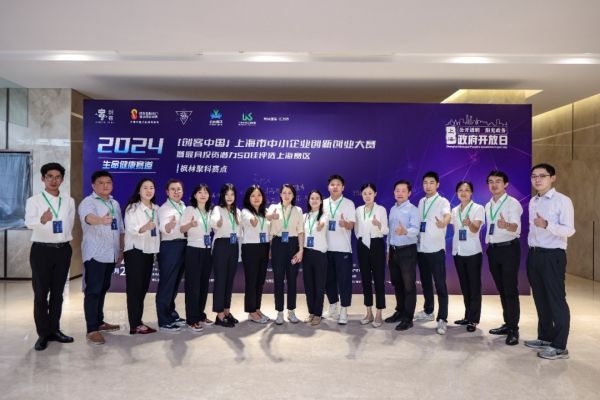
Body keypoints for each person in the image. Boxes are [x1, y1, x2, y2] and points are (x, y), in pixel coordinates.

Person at [524, 163, 575, 360]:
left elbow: (569, 230)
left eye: (542, 176)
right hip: (534, 255)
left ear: (552, 178)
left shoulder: (562, 201)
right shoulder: (533, 201)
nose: (537, 179)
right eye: (534, 176)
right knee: (540, 298)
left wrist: (547, 224)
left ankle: (560, 346)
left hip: (553, 255)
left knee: (556, 299)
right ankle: (545, 337)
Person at [25, 162, 76, 351]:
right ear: (43, 178)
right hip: (42, 251)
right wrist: (42, 219)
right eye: (50, 177)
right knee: (40, 294)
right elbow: (28, 223)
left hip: (63, 250)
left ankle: (55, 329)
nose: (54, 180)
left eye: (57, 177)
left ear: (62, 179)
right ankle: (43, 334)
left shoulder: (68, 200)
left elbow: (69, 224)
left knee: (58, 293)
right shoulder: (34, 201)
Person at [78, 170, 123, 345]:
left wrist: (120, 250)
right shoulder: (88, 202)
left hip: (111, 253)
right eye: (101, 183)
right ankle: (91, 329)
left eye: (108, 182)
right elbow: (88, 218)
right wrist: (100, 220)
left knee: (103, 288)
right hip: (95, 254)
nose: (105, 185)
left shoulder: (114, 203)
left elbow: (120, 229)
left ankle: (99, 321)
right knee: (93, 291)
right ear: (93, 185)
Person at [485, 170, 523, 345]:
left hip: (508, 249)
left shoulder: (512, 203)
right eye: (491, 181)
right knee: (502, 289)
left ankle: (514, 329)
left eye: (498, 181)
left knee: (510, 290)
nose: (494, 185)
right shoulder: (488, 205)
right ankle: (507, 324)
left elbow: (515, 228)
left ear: (506, 184)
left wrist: (505, 224)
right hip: (493, 250)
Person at [415, 171, 451, 335]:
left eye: (431, 182)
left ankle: (442, 318)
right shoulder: (421, 202)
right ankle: (428, 311)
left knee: (440, 285)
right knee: (426, 283)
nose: (428, 186)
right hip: (422, 249)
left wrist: (444, 222)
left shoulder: (443, 201)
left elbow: (447, 215)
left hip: (436, 250)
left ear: (437, 184)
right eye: (425, 182)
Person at [123, 178, 160, 334]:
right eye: (145, 187)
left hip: (149, 252)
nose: (149, 190)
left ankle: (138, 320)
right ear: (139, 190)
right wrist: (145, 227)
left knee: (143, 287)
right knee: (134, 288)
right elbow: (131, 229)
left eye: (151, 187)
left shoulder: (156, 208)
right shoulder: (132, 208)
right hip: (135, 251)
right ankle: (134, 324)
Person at [385, 180, 420, 331]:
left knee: (408, 286)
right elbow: (390, 232)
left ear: (409, 193)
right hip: (394, 251)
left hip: (407, 251)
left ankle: (408, 318)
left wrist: (405, 231)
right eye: (397, 190)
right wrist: (388, 251)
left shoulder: (413, 210)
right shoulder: (392, 209)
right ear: (394, 193)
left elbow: (416, 230)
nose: (400, 193)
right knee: (397, 283)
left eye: (403, 191)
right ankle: (399, 312)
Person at [267, 184, 304, 325]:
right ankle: (279, 312)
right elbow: (269, 228)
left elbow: (301, 231)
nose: (287, 195)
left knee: (292, 279)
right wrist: (270, 248)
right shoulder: (273, 208)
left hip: (293, 245)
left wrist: (301, 250)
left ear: (293, 195)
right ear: (280, 194)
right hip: (277, 245)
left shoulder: (298, 210)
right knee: (278, 279)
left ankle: (291, 311)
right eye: (284, 192)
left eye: (289, 193)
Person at [450, 181, 485, 333]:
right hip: (458, 252)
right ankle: (467, 315)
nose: (463, 193)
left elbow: (476, 228)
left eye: (467, 190)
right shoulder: (454, 210)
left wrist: (470, 223)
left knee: (474, 287)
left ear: (471, 193)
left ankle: (473, 319)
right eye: (460, 190)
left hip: (472, 252)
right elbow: (455, 229)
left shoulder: (478, 208)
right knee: (464, 286)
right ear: (457, 193)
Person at [180, 184, 214, 332]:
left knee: (203, 285)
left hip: (207, 250)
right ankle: (192, 319)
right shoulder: (189, 209)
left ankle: (200, 315)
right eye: (199, 192)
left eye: (205, 192)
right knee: (193, 286)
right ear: (195, 195)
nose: (203, 194)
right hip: (193, 249)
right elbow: (181, 229)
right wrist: (190, 224)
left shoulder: (210, 211)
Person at [323, 174, 356, 325]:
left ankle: (344, 310)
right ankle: (332, 307)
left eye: (338, 184)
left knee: (344, 281)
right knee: (328, 280)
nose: (335, 187)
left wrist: (345, 224)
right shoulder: (323, 203)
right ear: (328, 187)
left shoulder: (349, 204)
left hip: (343, 249)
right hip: (325, 248)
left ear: (343, 187)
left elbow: (352, 226)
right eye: (332, 184)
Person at [355, 183, 389, 328]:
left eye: (370, 193)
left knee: (379, 279)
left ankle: (379, 313)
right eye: (365, 193)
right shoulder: (358, 210)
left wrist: (378, 224)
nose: (367, 196)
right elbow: (356, 230)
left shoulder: (381, 209)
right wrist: (362, 239)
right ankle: (368, 312)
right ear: (361, 195)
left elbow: (386, 230)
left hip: (376, 244)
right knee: (366, 279)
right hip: (362, 245)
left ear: (375, 194)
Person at [156, 179, 187, 333]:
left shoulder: (184, 206)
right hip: (170, 246)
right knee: (167, 284)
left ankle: (171, 314)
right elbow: (164, 228)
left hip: (183, 245)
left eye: (179, 189)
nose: (176, 192)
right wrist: (169, 226)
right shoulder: (164, 208)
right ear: (167, 192)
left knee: (174, 284)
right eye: (173, 189)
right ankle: (163, 320)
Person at [210, 183, 242, 328]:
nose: (229, 197)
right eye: (227, 194)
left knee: (229, 280)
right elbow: (214, 223)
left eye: (232, 194)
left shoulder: (237, 211)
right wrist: (218, 222)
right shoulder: (218, 209)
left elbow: (240, 230)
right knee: (221, 280)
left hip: (234, 246)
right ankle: (219, 314)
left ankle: (227, 311)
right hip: (221, 245)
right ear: (223, 196)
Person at [241, 185, 271, 324]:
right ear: (248, 198)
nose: (256, 198)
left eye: (259, 195)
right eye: (253, 195)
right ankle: (251, 311)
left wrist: (270, 248)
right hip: (251, 248)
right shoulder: (245, 212)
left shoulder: (265, 211)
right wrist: (259, 217)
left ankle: (257, 308)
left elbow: (269, 231)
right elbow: (253, 223)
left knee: (260, 281)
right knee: (251, 281)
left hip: (264, 247)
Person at [302, 190, 329, 326]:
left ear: (321, 201)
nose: (314, 200)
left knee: (319, 285)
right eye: (312, 198)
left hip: (320, 254)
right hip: (307, 253)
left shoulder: (324, 215)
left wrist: (320, 225)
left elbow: (322, 224)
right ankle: (311, 312)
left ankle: (318, 314)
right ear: (308, 200)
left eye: (317, 198)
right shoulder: (304, 216)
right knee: (309, 285)